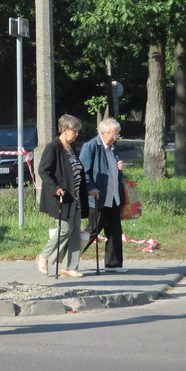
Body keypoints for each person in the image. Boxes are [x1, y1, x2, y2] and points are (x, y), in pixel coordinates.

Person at [35, 114, 90, 278]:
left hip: (76, 196)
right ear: (64, 130)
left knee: (74, 231)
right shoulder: (53, 147)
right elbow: (43, 170)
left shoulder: (71, 148)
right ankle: (44, 256)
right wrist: (55, 187)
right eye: (74, 131)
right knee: (65, 229)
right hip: (61, 196)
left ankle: (69, 267)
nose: (77, 134)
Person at [80, 118, 127, 272]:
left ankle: (113, 264)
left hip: (113, 195)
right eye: (113, 135)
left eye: (117, 135)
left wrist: (120, 166)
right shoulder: (91, 146)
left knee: (114, 230)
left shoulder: (114, 147)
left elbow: (113, 167)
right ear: (102, 133)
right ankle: (69, 257)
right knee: (93, 230)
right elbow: (83, 172)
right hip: (98, 197)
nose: (115, 138)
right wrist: (91, 188)